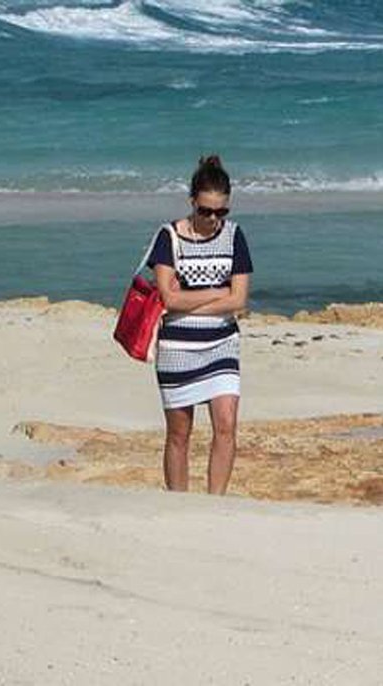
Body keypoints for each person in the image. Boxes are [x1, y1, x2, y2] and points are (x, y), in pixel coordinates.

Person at [146, 154, 253, 494]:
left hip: (222, 344)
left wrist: (191, 301)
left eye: (221, 211)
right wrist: (216, 292)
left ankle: (215, 504)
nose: (213, 218)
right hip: (177, 349)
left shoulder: (235, 236)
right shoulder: (168, 237)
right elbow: (168, 299)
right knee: (179, 433)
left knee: (226, 424)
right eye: (206, 210)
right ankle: (179, 503)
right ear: (192, 201)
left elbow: (239, 301)